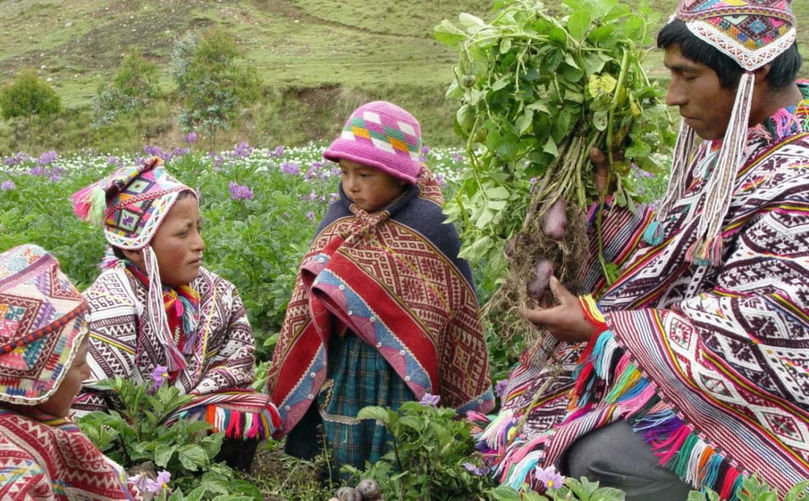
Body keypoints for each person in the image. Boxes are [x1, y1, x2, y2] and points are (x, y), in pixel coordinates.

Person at [477, 0, 809, 499]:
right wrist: (604, 203)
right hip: (705, 378)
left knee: (597, 460)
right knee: (545, 400)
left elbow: (767, 321)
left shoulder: (797, 175)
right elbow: (678, 258)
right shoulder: (737, 150)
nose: (673, 97)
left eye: (687, 75)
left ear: (752, 73)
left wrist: (601, 329)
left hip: (768, 405)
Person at [266, 101, 494, 474]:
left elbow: (450, 308)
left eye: (365, 175)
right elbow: (309, 295)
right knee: (343, 447)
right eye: (344, 172)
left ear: (399, 176)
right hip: (346, 362)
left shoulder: (431, 223)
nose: (351, 185)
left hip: (403, 370)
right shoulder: (339, 218)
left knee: (397, 447)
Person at [70, 157, 279, 472]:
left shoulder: (217, 292)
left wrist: (185, 406)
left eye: (198, 228)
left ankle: (217, 475)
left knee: (250, 408)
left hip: (186, 414)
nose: (199, 244)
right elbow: (85, 404)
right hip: (127, 436)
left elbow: (239, 362)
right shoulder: (110, 303)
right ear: (134, 247)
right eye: (183, 234)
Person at [0, 243, 143, 499]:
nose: (88, 373)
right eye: (77, 364)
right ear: (38, 378)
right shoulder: (15, 471)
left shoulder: (38, 426)